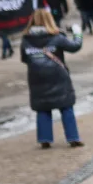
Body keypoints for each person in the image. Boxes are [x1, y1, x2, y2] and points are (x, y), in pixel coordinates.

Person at [20, 9, 83, 148]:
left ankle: (45, 139)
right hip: (57, 75)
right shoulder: (57, 37)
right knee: (66, 105)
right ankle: (73, 137)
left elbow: (24, 58)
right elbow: (75, 47)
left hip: (36, 76)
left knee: (43, 107)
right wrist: (77, 33)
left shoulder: (26, 39)